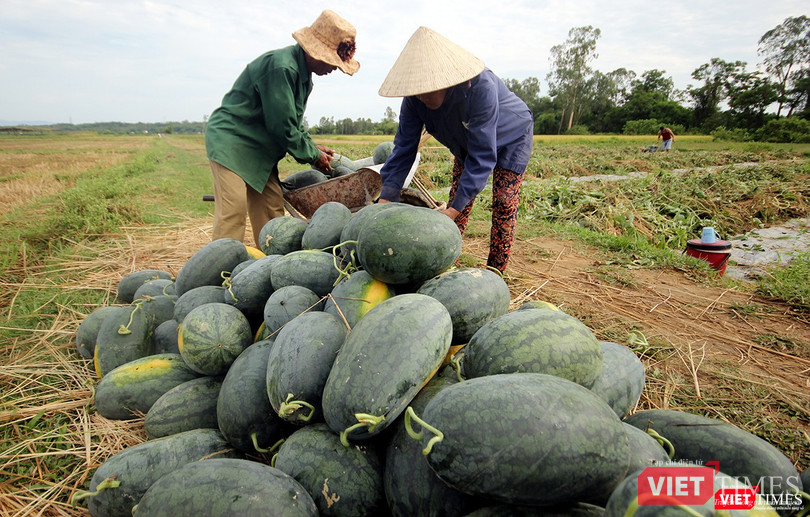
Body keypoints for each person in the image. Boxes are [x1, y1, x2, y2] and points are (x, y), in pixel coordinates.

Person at [376, 27, 533, 273]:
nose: (421, 96)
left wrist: (452, 210)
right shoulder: (414, 100)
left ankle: (495, 273)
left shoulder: (481, 88)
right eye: (416, 90)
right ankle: (447, 263)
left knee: (503, 202)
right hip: (467, 140)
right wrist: (386, 198)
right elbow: (404, 148)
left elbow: (482, 155)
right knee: (456, 203)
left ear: (447, 81)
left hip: (512, 135)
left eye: (428, 88)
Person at [205, 10, 359, 246]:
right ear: (315, 51)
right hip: (232, 142)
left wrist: (311, 145)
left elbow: (293, 121)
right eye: (332, 62)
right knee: (233, 211)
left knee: (271, 212)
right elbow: (282, 127)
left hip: (260, 150)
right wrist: (312, 155)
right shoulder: (282, 68)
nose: (334, 69)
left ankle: (269, 268)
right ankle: (218, 273)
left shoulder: (304, 77)